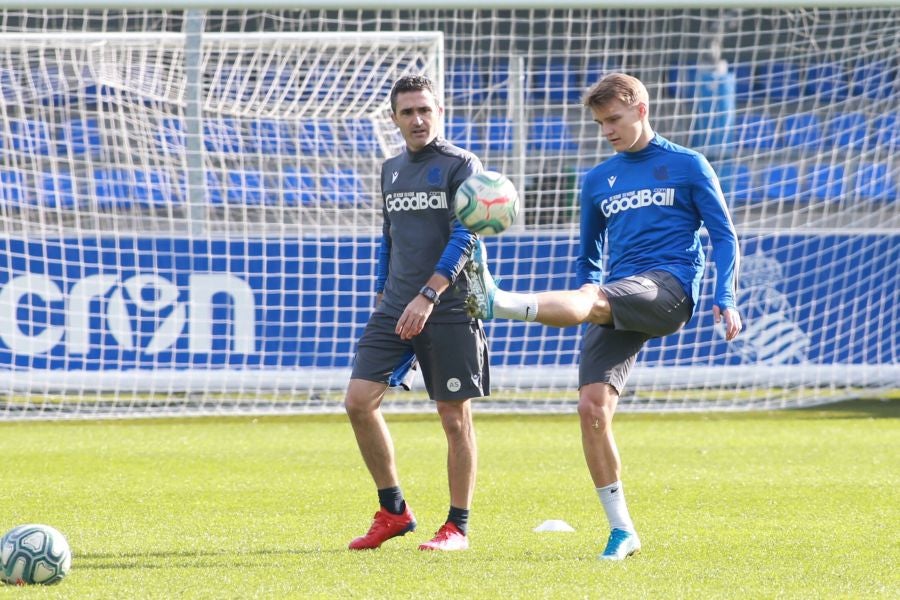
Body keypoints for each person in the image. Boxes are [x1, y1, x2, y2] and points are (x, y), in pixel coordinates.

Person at [466, 73, 742, 560]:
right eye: (600, 123)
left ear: (641, 108)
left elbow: (724, 235)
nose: (607, 130)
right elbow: (588, 258)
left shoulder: (688, 165)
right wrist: (587, 287)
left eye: (614, 119)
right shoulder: (597, 180)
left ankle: (499, 303)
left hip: (668, 288)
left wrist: (726, 294)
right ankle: (623, 531)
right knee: (592, 409)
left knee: (591, 302)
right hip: (615, 292)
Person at [345, 74, 489, 552]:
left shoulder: (460, 165)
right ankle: (394, 511)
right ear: (395, 118)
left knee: (453, 417)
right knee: (358, 401)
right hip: (396, 305)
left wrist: (428, 294)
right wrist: (384, 291)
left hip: (446, 306)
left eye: (425, 109)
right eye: (407, 112)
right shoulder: (391, 169)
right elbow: (389, 235)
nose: (418, 119)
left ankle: (457, 528)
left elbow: (465, 235)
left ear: (439, 111)